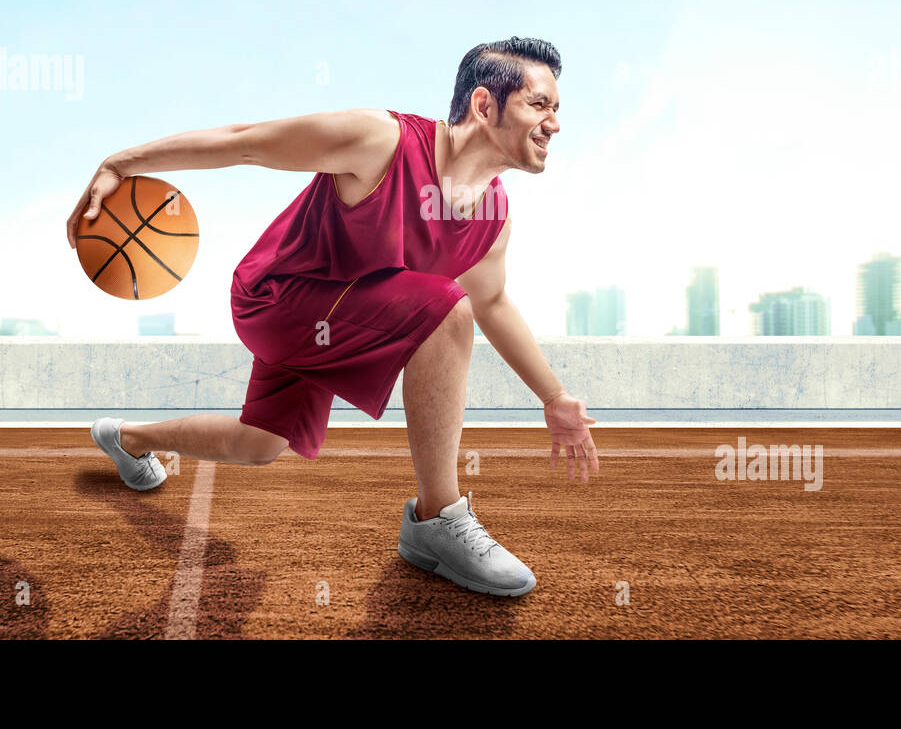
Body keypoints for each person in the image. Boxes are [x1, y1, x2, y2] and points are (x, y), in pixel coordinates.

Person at [66, 37, 598, 597]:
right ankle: (436, 521)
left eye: (558, 109)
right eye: (540, 105)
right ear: (485, 106)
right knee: (446, 309)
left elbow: (492, 302)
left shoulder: (494, 214)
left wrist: (554, 397)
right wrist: (120, 163)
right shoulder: (381, 141)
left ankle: (127, 438)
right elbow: (245, 142)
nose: (554, 123)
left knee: (259, 443)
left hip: (340, 321)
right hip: (278, 298)